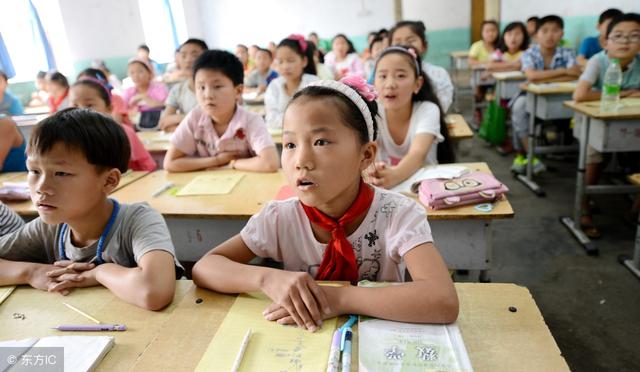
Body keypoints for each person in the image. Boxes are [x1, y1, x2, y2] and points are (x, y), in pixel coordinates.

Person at [192, 75, 458, 330]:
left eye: (320, 141)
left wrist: (338, 299)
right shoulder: (279, 218)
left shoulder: (397, 213)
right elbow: (205, 267)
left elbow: (442, 300)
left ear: (366, 155)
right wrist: (266, 278)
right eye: (290, 144)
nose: (301, 160)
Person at [0, 108, 182, 310]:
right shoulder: (49, 228)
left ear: (109, 181)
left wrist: (99, 272)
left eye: (61, 173)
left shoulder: (137, 220)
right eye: (34, 171)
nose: (41, 187)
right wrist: (31, 272)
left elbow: (154, 292)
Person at [573, 12, 640, 238]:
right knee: (595, 157)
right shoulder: (598, 61)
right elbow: (580, 95)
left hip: (631, 123)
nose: (625, 42)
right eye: (618, 36)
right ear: (605, 41)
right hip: (592, 122)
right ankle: (583, 206)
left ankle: (635, 211)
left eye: (634, 36)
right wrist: (624, 94)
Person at [164, 50, 279, 173]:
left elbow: (270, 163)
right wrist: (217, 161)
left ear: (238, 91)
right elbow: (170, 163)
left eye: (217, 87)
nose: (207, 95)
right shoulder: (195, 117)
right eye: (201, 87)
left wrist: (233, 163)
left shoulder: (250, 120)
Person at [367, 46, 454, 189]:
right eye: (382, 76)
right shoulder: (372, 112)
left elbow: (417, 153)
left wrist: (394, 175)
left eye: (400, 76)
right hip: (386, 190)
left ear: (417, 84)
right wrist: (373, 172)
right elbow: (369, 153)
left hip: (426, 190)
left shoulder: (428, 109)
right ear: (374, 82)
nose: (390, 84)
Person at [510, 15, 580, 174]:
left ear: (562, 34)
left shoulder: (568, 52)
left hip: (561, 98)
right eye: (545, 31)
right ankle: (528, 154)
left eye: (555, 30)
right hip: (531, 96)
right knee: (519, 108)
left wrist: (543, 76)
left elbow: (575, 75)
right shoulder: (529, 53)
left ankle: (527, 156)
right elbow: (532, 76)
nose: (550, 35)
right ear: (536, 35)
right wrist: (563, 71)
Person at [70, 75, 157, 171]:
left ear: (109, 108)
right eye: (75, 105)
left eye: (89, 105)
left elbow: (148, 166)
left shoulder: (123, 133)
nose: (81, 111)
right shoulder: (69, 138)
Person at [388, 20, 454, 112]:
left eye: (411, 41)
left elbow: (441, 107)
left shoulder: (439, 74)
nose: (404, 46)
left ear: (424, 46)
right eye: (398, 43)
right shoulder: (386, 76)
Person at [265, 34, 318, 129]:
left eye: (291, 60)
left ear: (304, 61)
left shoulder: (313, 82)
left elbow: (314, 116)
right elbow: (271, 119)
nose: (285, 66)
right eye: (280, 62)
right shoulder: (274, 85)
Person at [159, 38, 209, 132]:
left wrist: (178, 118)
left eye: (195, 55)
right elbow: (164, 123)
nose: (188, 60)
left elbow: (214, 122)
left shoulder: (215, 89)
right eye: (183, 56)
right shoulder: (177, 90)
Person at [122, 58, 168, 129]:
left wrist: (144, 97)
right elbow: (123, 110)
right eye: (132, 72)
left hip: (158, 125)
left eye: (140, 71)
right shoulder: (128, 91)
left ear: (149, 73)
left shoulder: (159, 88)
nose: (136, 76)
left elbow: (167, 104)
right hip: (135, 127)